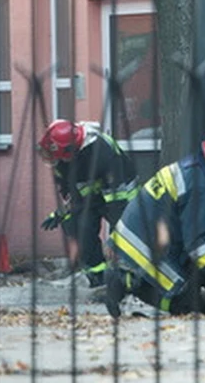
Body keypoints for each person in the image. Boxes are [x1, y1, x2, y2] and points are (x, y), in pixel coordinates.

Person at [102, 128, 205, 317]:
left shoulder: (200, 174)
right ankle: (125, 280)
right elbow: (196, 244)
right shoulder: (200, 186)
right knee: (184, 304)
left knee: (196, 279)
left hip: (147, 237)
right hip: (139, 248)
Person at [37, 119, 139, 287]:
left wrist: (116, 236)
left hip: (121, 195)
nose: (51, 158)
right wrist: (62, 213)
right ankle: (97, 277)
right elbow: (72, 193)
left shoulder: (102, 152)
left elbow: (117, 203)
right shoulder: (62, 162)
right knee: (78, 226)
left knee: (128, 236)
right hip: (92, 197)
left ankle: (128, 278)